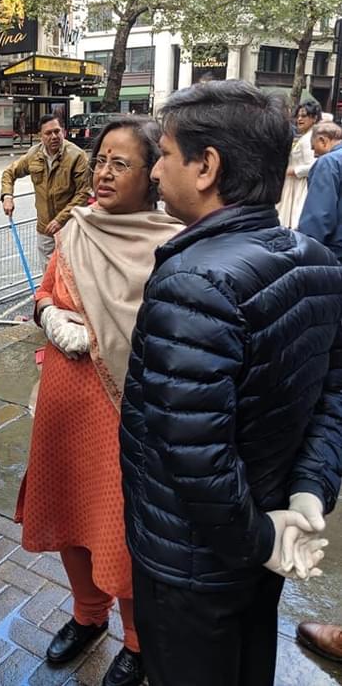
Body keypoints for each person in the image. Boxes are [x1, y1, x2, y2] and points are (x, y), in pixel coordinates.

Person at [120, 80, 342, 686]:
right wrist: (306, 496)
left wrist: (259, 535)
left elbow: (193, 453)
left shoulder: (194, 281)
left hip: (193, 560)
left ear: (207, 166)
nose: (157, 169)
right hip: (263, 538)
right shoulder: (318, 262)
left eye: (164, 153)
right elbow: (333, 398)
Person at [16, 119, 182, 686]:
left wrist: (101, 334)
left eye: (121, 163)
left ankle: (137, 642)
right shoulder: (74, 230)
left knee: (120, 532)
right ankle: (88, 616)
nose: (105, 173)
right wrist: (47, 314)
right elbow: (41, 292)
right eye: (102, 160)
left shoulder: (169, 245)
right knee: (68, 514)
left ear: (152, 175)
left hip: (122, 418)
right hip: (63, 408)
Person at [1, 113, 91, 270]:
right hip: (45, 229)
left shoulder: (77, 156)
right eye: (48, 133)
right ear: (40, 136)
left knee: (70, 274)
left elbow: (83, 194)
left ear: (63, 131)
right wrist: (7, 196)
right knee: (49, 274)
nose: (54, 136)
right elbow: (9, 172)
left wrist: (60, 220)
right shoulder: (33, 155)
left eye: (57, 131)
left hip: (69, 227)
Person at [297, 121, 342, 262]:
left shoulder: (328, 162)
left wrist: (305, 251)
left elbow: (319, 215)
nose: (314, 154)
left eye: (313, 148)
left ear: (323, 140)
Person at [277, 99, 321, 227]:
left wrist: (293, 171)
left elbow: (312, 165)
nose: (299, 119)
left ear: (314, 118)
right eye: (298, 116)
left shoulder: (310, 138)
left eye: (304, 115)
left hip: (300, 186)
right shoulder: (305, 136)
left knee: (295, 218)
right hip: (292, 185)